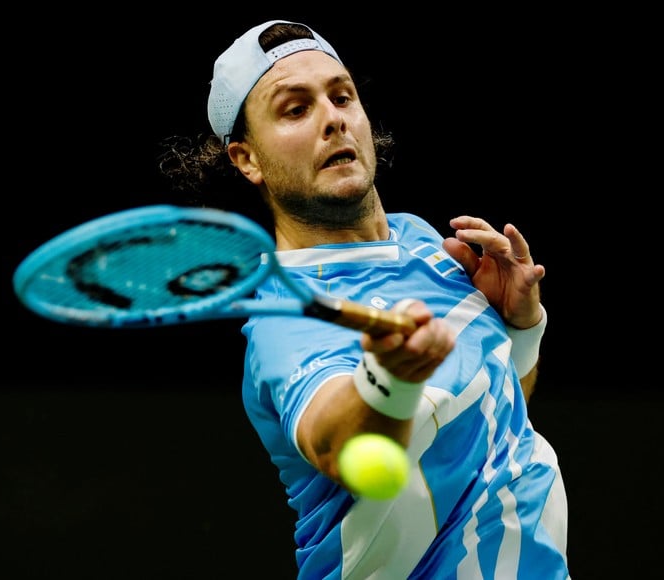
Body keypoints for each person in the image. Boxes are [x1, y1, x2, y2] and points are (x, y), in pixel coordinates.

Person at [159, 19, 570, 579]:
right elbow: (339, 447)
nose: (333, 118)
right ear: (246, 159)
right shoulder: (289, 315)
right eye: (295, 109)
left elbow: (494, 408)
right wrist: (387, 377)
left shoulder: (423, 240)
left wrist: (520, 331)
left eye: (341, 96)